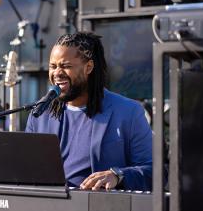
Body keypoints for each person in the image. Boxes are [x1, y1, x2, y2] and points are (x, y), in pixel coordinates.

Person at [25, 32, 152, 191]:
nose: (57, 73)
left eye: (66, 66)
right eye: (53, 66)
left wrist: (117, 176)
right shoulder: (39, 114)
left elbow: (154, 172)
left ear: (89, 67)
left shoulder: (128, 112)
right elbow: (27, 172)